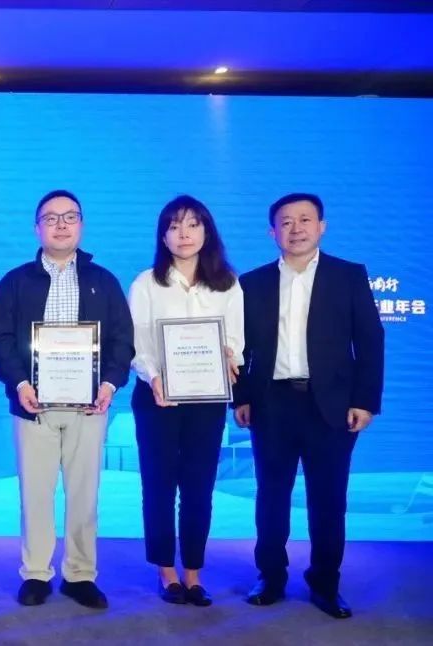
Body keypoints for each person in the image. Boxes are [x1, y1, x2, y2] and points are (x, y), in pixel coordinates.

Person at [234, 193, 383, 619]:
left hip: (331, 406)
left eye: (305, 219)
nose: (295, 229)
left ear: (322, 227)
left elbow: (370, 340)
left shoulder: (348, 275)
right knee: (271, 496)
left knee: (328, 499)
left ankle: (325, 583)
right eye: (286, 222)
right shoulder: (253, 282)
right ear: (272, 232)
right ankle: (270, 577)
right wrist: (242, 397)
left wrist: (365, 401)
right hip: (272, 404)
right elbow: (239, 347)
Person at [0, 190, 134, 608]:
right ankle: (36, 573)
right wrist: (20, 384)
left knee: (84, 494)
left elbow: (123, 340)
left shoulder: (103, 281)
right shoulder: (15, 281)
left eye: (70, 217)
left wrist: (109, 385)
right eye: (51, 218)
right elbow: (0, 341)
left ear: (82, 225)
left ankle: (80, 575)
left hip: (89, 407)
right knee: (35, 494)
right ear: (37, 228)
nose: (61, 225)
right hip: (32, 405)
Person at [128, 195, 243, 607]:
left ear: (206, 231)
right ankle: (166, 570)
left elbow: (236, 339)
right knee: (158, 485)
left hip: (207, 399)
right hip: (156, 396)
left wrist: (229, 356)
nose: (184, 234)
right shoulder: (147, 283)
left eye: (193, 224)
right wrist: (155, 376)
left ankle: (193, 572)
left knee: (199, 486)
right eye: (174, 226)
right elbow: (137, 341)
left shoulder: (227, 283)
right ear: (163, 236)